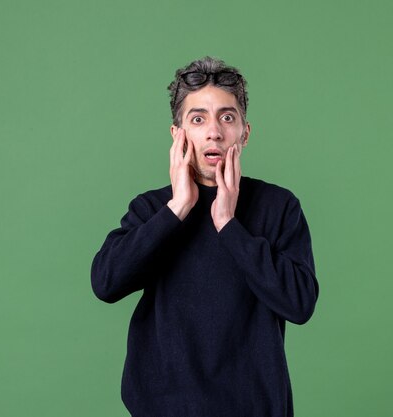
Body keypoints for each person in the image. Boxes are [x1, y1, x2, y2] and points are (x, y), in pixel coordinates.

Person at [91, 56, 319, 416]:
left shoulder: (278, 207)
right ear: (177, 134)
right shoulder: (153, 208)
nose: (214, 131)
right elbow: (106, 283)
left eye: (227, 117)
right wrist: (177, 209)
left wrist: (229, 225)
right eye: (198, 119)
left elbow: (300, 304)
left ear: (244, 132)